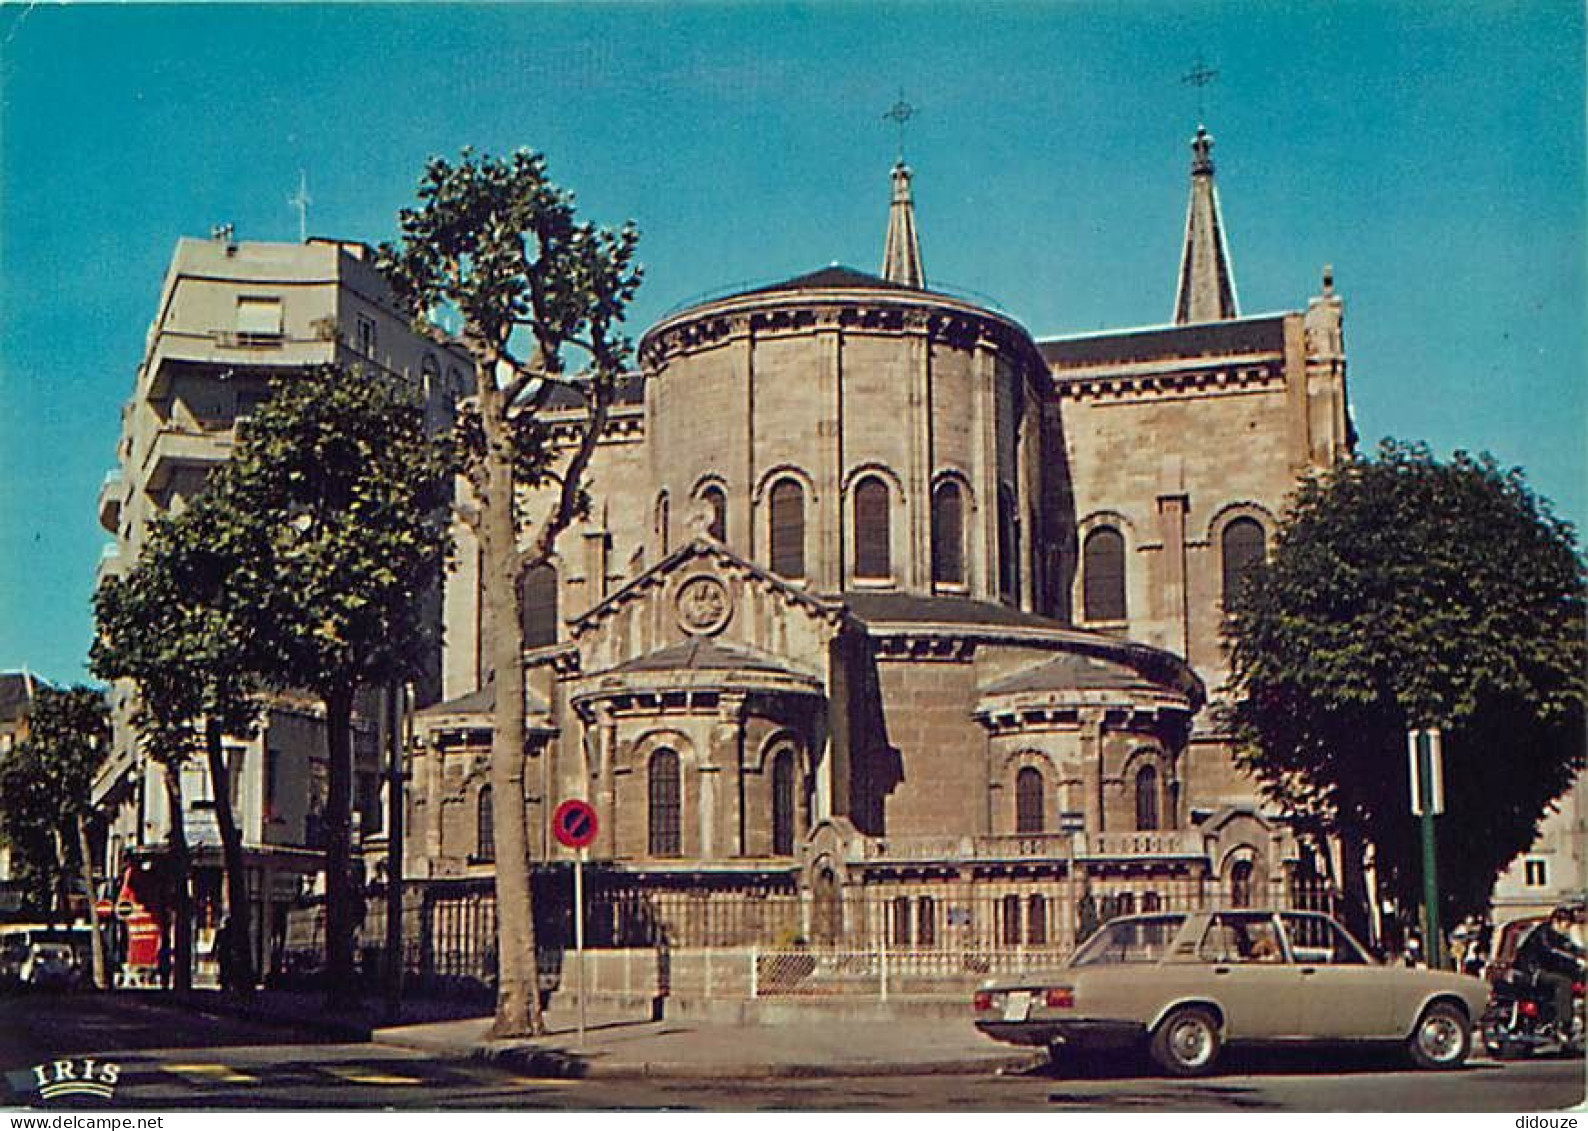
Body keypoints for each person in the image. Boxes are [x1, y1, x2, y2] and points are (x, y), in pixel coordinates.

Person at [1515, 906, 1586, 1039]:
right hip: (1533, 972)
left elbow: (1570, 948)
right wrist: (1575, 960)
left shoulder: (1556, 935)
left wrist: (1582, 954)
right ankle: (1564, 1024)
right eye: (1567, 924)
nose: (1568, 928)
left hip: (1542, 971)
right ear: (1557, 921)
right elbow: (1551, 951)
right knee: (1564, 982)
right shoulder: (1543, 933)